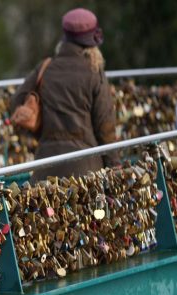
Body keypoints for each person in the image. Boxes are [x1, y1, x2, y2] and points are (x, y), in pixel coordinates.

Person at [10, 8, 120, 182]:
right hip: (86, 170)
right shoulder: (94, 71)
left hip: (45, 168)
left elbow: (16, 102)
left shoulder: (46, 67)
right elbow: (105, 127)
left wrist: (40, 132)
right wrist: (115, 167)